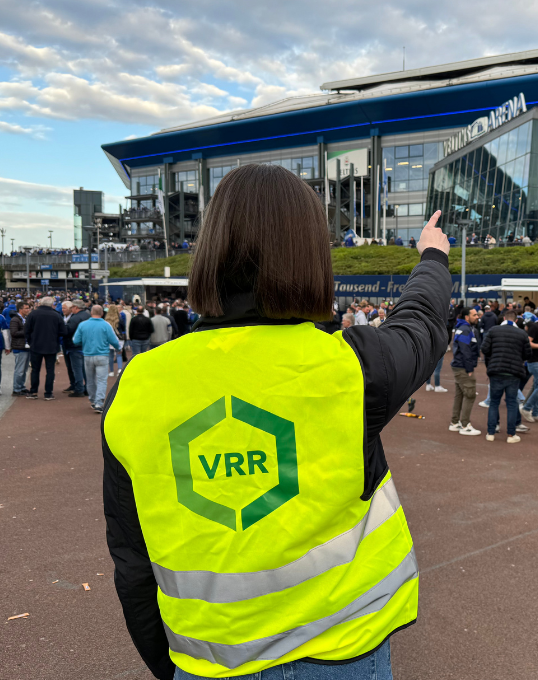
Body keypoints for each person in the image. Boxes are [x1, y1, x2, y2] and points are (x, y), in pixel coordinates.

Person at [103, 165, 451, 680]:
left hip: (209, 661)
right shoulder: (350, 366)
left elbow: (131, 554)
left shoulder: (138, 383)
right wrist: (432, 256)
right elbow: (420, 322)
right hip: (341, 651)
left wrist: (173, 661)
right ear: (312, 256)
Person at [481, 310, 532, 443]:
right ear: (516, 320)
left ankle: (490, 433)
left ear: (504, 318)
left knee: (494, 402)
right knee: (511, 403)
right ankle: (511, 434)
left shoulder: (493, 330)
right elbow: (528, 354)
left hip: (496, 370)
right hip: (513, 372)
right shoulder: (522, 333)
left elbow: (485, 349)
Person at [73, 304, 120, 414]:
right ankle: (99, 402)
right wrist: (118, 348)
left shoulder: (83, 325)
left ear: (91, 312)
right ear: (102, 313)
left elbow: (75, 340)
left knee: (90, 379)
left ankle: (93, 400)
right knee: (101, 380)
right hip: (102, 355)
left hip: (88, 355)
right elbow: (114, 340)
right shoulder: (106, 325)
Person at [23, 297, 67, 401]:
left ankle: (33, 391)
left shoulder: (33, 314)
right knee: (50, 370)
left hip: (36, 345)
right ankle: (48, 393)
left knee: (35, 370)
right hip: (51, 345)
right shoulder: (56, 315)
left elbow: (26, 330)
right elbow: (63, 331)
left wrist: (30, 341)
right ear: (51, 304)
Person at [449, 308, 481, 436]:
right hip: (462, 367)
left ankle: (455, 422)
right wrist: (469, 368)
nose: (477, 317)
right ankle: (465, 425)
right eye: (474, 315)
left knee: (460, 395)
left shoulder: (464, 328)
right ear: (467, 317)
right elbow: (465, 350)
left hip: (459, 366)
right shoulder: (466, 329)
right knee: (470, 395)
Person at [63, 301, 90, 398]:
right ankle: (87, 388)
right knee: (84, 369)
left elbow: (68, 331)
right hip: (85, 345)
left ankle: (79, 389)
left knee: (77, 369)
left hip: (74, 346)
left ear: (76, 307)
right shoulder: (87, 315)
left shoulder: (75, 318)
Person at [9, 301, 32, 396]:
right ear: (20, 309)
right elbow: (14, 333)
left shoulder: (25, 318)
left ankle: (21, 386)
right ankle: (16, 388)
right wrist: (27, 331)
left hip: (26, 346)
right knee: (20, 369)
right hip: (19, 346)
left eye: (28, 308)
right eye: (26, 308)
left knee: (24, 369)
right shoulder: (15, 320)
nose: (28, 310)